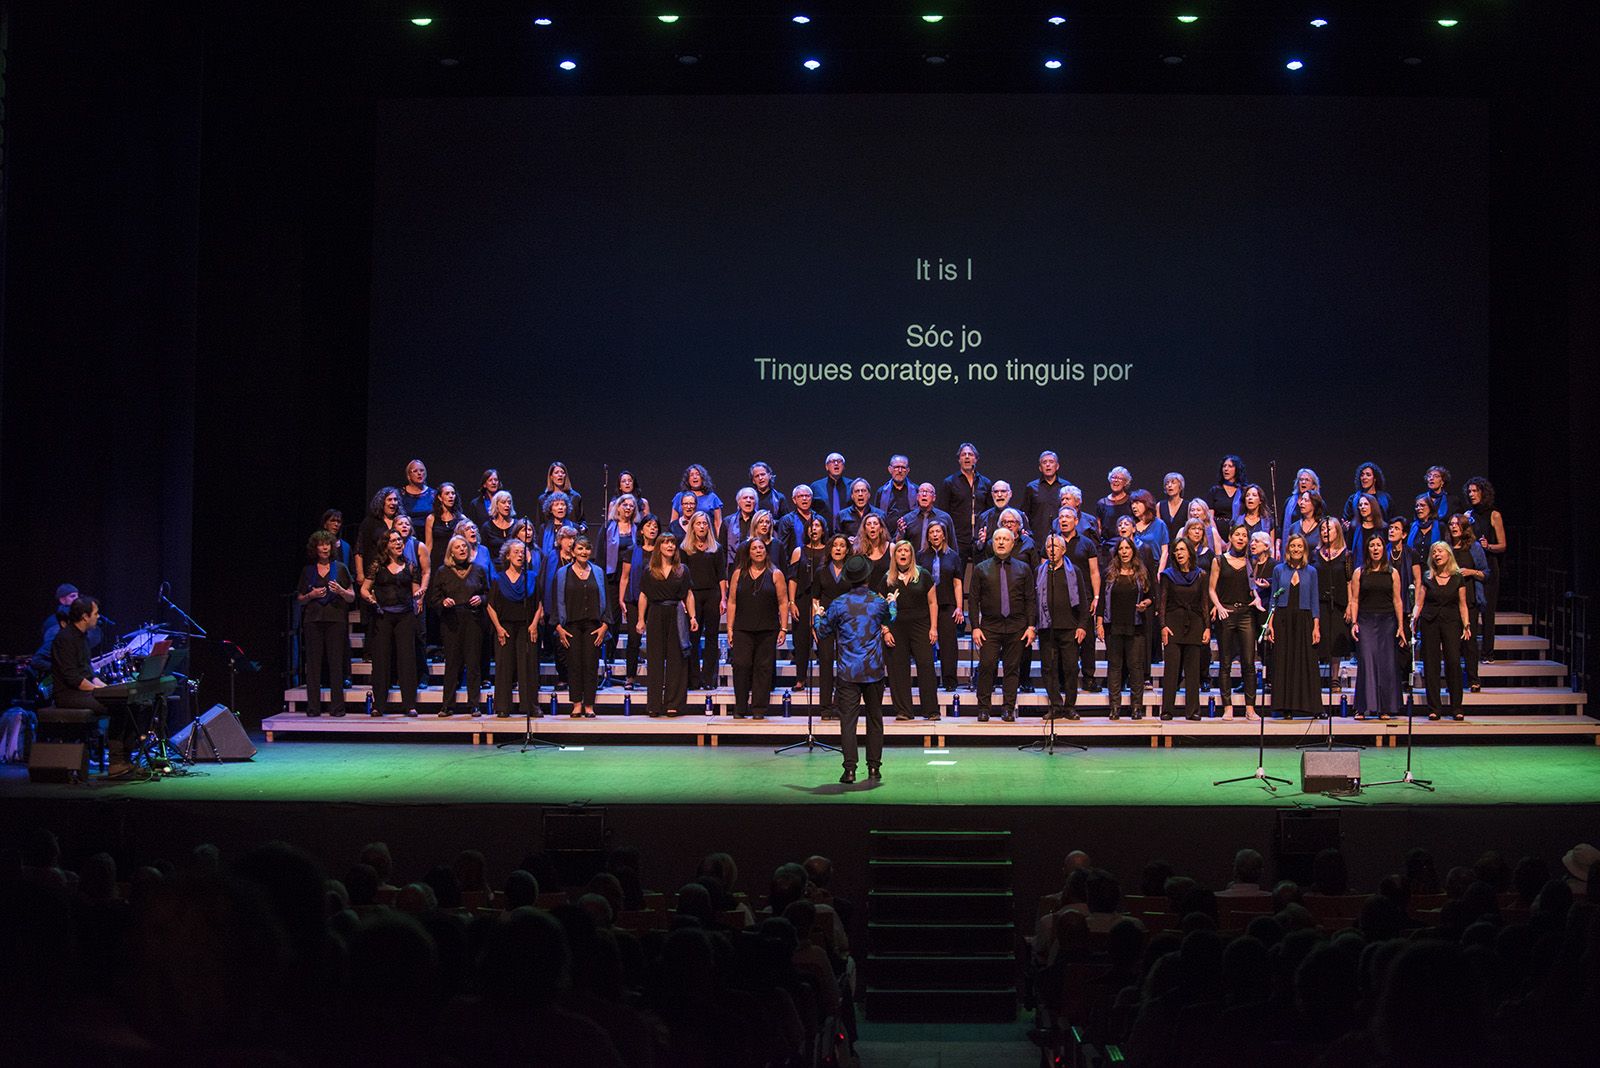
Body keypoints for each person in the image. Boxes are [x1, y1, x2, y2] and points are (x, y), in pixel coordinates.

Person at [814, 554, 892, 784]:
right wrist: (893, 603)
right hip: (873, 670)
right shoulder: (878, 603)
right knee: (875, 719)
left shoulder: (838, 604)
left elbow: (823, 632)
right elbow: (891, 618)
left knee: (848, 721)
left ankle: (849, 770)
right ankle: (874, 769)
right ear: (867, 577)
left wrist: (818, 617)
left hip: (848, 671)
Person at [969, 526, 1036, 722]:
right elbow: (973, 600)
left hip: (1017, 626)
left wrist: (1031, 626)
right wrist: (975, 626)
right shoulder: (982, 568)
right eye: (997, 538)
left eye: (1004, 539)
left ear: (1012, 543)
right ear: (992, 542)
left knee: (1012, 668)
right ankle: (983, 708)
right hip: (990, 626)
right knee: (987, 665)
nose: (1000, 542)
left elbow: (1030, 599)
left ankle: (1008, 708)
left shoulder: (1023, 569)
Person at [726, 536, 790, 719]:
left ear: (766, 551)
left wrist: (783, 628)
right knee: (741, 666)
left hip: (768, 629)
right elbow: (731, 602)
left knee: (763, 668)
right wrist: (730, 628)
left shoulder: (775, 574)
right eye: (754, 548)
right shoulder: (739, 573)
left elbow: (783, 602)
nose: (758, 551)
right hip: (742, 628)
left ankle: (759, 709)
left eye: (761, 548)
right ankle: (740, 708)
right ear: (748, 552)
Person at [360, 529, 422, 717]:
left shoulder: (410, 566)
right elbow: (364, 589)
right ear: (386, 544)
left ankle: (409, 705)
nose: (398, 543)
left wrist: (418, 597)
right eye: (394, 540)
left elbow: (415, 591)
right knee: (381, 660)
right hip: (383, 616)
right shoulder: (377, 566)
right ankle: (379, 705)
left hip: (404, 616)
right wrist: (371, 600)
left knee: (407, 660)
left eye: (400, 540)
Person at [298, 530, 356, 717]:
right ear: (315, 548)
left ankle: (337, 707)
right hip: (313, 620)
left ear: (331, 547)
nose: (324, 547)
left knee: (336, 663)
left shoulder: (340, 568)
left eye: (327, 544)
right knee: (313, 665)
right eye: (321, 544)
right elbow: (300, 598)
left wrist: (340, 591)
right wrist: (311, 595)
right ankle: (313, 707)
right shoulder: (308, 570)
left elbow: (352, 596)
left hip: (335, 620)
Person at [429, 535, 489, 717]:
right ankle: (447, 705)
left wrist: (482, 598)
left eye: (464, 546)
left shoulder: (478, 569)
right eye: (458, 547)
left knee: (473, 663)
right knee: (452, 664)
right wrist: (443, 601)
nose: (462, 549)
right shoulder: (442, 572)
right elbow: (434, 599)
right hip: (451, 621)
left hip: (473, 620)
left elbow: (488, 593)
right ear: (451, 552)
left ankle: (474, 705)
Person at [635, 533, 694, 718]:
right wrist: (640, 619)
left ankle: (673, 703)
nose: (670, 546)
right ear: (659, 546)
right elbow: (643, 595)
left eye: (673, 543)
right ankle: (654, 704)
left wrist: (692, 617)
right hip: (656, 613)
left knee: (677, 659)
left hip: (676, 613)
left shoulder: (682, 570)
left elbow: (689, 594)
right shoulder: (649, 570)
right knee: (655, 660)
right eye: (666, 543)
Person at [1265, 533, 1322, 719]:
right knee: (1284, 662)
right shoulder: (1279, 570)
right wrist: (1270, 624)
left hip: (1304, 620)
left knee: (1305, 662)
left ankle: (1311, 707)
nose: (1296, 549)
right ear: (1288, 549)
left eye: (1299, 546)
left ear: (1304, 549)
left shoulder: (1312, 571)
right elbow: (1273, 598)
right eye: (1293, 546)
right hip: (1282, 619)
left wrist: (1316, 626)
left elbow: (1314, 600)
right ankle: (1285, 707)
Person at [1413, 541, 1471, 721]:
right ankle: (1434, 708)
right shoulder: (1428, 577)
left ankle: (1457, 707)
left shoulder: (1457, 577)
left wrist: (1466, 624)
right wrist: (1413, 619)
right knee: (1431, 664)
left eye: (1440, 551)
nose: (1437, 555)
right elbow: (1419, 603)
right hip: (1430, 622)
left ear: (1448, 554)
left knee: (1453, 662)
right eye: (1434, 552)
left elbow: (1462, 604)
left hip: (1451, 622)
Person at [1351, 532, 1406, 721]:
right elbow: (1355, 600)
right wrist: (1354, 622)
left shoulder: (1393, 572)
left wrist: (1401, 626)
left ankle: (1385, 707)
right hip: (1366, 620)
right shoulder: (1359, 572)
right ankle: (1363, 707)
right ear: (1367, 549)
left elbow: (1397, 600)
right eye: (1372, 545)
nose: (1375, 548)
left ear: (1384, 548)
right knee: (1366, 661)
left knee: (1386, 663)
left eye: (1378, 545)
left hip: (1387, 621)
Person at [1209, 524, 1262, 720]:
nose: (1241, 538)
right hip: (1226, 613)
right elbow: (1212, 589)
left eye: (1244, 536)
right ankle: (1228, 707)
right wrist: (1219, 606)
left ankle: (1250, 708)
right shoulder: (1219, 561)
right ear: (1230, 537)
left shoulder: (1251, 562)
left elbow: (1252, 588)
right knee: (1225, 663)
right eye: (1237, 535)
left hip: (1246, 613)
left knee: (1249, 662)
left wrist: (1257, 597)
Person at [1036, 533, 1090, 721]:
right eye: (1049, 547)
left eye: (1056, 547)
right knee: (1048, 668)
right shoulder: (1039, 571)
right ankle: (1056, 706)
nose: (1052, 550)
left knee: (1070, 668)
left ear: (1063, 550)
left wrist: (1082, 625)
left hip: (1069, 628)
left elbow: (1083, 600)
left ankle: (1070, 707)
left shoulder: (1074, 571)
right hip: (1046, 629)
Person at [486, 538, 542, 719]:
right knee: (504, 665)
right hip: (505, 627)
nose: (519, 555)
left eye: (522, 552)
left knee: (528, 665)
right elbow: (490, 606)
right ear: (508, 556)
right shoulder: (497, 578)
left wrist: (534, 624)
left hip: (526, 626)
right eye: (515, 552)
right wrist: (499, 628)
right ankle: (503, 706)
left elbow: (539, 603)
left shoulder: (532, 577)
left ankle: (530, 705)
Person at [884, 540, 939, 721]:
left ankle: (931, 710)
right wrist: (885, 631)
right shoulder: (887, 578)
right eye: (899, 550)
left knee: (926, 666)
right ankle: (904, 711)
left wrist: (933, 628)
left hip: (921, 625)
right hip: (896, 627)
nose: (903, 553)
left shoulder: (923, 574)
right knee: (898, 668)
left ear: (911, 555)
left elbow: (933, 603)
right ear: (895, 555)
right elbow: (880, 608)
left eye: (906, 550)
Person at [1098, 537, 1151, 720]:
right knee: (1115, 667)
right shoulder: (1109, 573)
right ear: (1117, 552)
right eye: (1121, 548)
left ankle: (1137, 707)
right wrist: (1099, 624)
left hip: (1135, 625)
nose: (1124, 551)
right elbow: (1103, 601)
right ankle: (1115, 707)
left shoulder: (1141, 573)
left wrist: (1145, 603)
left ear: (1133, 551)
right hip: (1114, 625)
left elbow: (1151, 595)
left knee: (1136, 667)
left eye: (1127, 548)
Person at [1159, 538, 1211, 721]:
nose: (1179, 553)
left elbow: (1204, 602)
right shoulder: (1167, 575)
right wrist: (1163, 626)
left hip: (1194, 624)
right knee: (1171, 669)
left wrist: (1207, 627)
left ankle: (1193, 710)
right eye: (1176, 550)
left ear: (1190, 552)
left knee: (1192, 670)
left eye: (1182, 549)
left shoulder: (1201, 575)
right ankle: (1167, 710)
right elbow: (1163, 603)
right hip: (1173, 624)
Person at [558, 536, 608, 718]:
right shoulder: (563, 573)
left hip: (593, 625)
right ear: (573, 552)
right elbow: (556, 599)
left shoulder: (598, 572)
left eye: (587, 549)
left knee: (590, 664)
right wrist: (558, 626)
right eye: (580, 549)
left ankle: (589, 705)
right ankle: (576, 704)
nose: (583, 552)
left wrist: (605, 625)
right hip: (570, 625)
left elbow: (606, 599)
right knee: (574, 665)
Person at [1055, 506, 1102, 693]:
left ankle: (1089, 678)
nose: (1064, 520)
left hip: (1084, 598)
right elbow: (1043, 571)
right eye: (1061, 517)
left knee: (1088, 640)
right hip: (1060, 599)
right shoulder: (1052, 542)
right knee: (1061, 641)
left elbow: (1094, 572)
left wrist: (1096, 597)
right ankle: (1061, 680)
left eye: (1068, 517)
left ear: (1076, 521)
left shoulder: (1087, 543)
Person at [810, 533, 855, 720]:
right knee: (826, 663)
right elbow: (815, 598)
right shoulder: (821, 571)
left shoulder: (853, 572)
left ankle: (841, 706)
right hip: (826, 622)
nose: (838, 548)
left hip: (847, 624)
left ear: (847, 550)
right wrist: (815, 623)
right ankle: (826, 708)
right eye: (835, 545)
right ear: (830, 549)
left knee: (845, 666)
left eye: (842, 545)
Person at [680, 512, 726, 692]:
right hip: (692, 595)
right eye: (698, 523)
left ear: (708, 526)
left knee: (712, 638)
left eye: (704, 523)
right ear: (692, 526)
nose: (701, 526)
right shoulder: (684, 548)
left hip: (712, 594)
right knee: (693, 637)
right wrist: (683, 598)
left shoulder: (716, 548)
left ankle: (708, 678)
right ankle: (693, 679)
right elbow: (682, 575)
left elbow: (722, 575)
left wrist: (723, 597)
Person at [918, 521, 965, 693]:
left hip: (946, 605)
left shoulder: (953, 556)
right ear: (928, 536)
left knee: (948, 645)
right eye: (932, 532)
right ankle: (928, 681)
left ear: (944, 534)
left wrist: (959, 607)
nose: (935, 535)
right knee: (925, 644)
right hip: (925, 606)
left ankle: (950, 681)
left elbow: (957, 584)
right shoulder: (921, 556)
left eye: (938, 531)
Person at [1464, 477, 1507, 662]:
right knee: (1470, 609)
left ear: (1483, 493)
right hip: (1471, 566)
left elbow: (1503, 545)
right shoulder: (1467, 515)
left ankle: (1488, 653)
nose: (1472, 494)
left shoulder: (1494, 515)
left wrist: (1488, 546)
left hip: (1489, 566)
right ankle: (1469, 651)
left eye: (1475, 491)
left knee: (1488, 612)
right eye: (1470, 491)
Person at [598, 493, 638, 683]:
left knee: (633, 619)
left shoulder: (637, 529)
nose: (628, 508)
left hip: (633, 579)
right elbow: (600, 555)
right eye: (625, 505)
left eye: (632, 505)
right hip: (612, 578)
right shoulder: (608, 528)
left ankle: (634, 654)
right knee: (612, 617)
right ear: (618, 507)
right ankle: (611, 655)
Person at [616, 514, 659, 691]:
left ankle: (657, 677)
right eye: (649, 525)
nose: (653, 528)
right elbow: (625, 577)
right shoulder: (632, 550)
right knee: (634, 640)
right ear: (642, 529)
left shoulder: (662, 550)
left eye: (655, 526)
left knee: (656, 641)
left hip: (657, 600)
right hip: (634, 599)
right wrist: (621, 599)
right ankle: (630, 677)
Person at [1448, 515, 1491, 693]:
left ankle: (1473, 679)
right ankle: (1454, 680)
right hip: (1449, 600)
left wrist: (1471, 572)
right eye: (1451, 524)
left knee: (1469, 642)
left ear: (1464, 527)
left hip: (1470, 600)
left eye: (1457, 524)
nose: (1454, 527)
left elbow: (1486, 573)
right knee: (1452, 644)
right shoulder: (1447, 548)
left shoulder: (1474, 547)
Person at [788, 515, 830, 692]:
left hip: (823, 600)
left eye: (817, 525)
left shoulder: (829, 551)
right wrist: (791, 602)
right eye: (811, 526)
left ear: (823, 529)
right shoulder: (799, 551)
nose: (814, 529)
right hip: (803, 600)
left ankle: (827, 679)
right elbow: (793, 578)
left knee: (823, 640)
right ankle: (800, 679)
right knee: (801, 640)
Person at [1313, 519, 1354, 692]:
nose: (1325, 532)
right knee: (1318, 639)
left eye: (1328, 529)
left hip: (1338, 603)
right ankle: (1314, 678)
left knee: (1336, 640)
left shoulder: (1346, 555)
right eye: (1322, 529)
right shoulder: (1315, 553)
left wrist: (1351, 603)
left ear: (1337, 531)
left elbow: (1350, 581)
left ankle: (1335, 678)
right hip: (1319, 602)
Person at [937, 442, 993, 566]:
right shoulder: (949, 482)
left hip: (980, 538)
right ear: (959, 460)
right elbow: (943, 512)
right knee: (957, 575)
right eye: (963, 455)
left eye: (970, 454)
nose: (967, 457)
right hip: (958, 538)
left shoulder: (985, 483)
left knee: (980, 575)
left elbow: (990, 511)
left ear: (976, 459)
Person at [540, 524, 578, 692]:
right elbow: (543, 582)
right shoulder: (551, 557)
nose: (570, 542)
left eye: (573, 538)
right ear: (559, 541)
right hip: (555, 607)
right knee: (559, 644)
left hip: (574, 607)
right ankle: (562, 677)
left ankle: (575, 677)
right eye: (567, 538)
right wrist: (542, 605)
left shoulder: (579, 558)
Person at [354, 486, 399, 587]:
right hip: (374, 570)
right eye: (389, 499)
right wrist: (360, 574)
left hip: (396, 571)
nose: (393, 502)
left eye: (395, 499)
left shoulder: (400, 522)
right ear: (382, 502)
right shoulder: (370, 522)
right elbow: (359, 549)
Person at [1021, 450, 1067, 538]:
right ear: (1040, 468)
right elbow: (1025, 514)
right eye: (1044, 462)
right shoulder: (1031, 487)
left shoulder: (1066, 486)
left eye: (1051, 462)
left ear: (1057, 466)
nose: (1048, 465)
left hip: (1061, 537)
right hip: (1037, 538)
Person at [903, 482, 955, 556]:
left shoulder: (945, 518)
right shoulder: (907, 519)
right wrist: (900, 534)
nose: (924, 494)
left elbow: (953, 545)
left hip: (937, 563)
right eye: (921, 491)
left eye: (927, 492)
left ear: (934, 498)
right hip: (913, 564)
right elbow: (898, 544)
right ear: (917, 497)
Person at [425, 482, 463, 576]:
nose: (451, 496)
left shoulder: (461, 519)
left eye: (453, 493)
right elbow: (428, 545)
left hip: (455, 562)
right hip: (437, 561)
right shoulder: (431, 518)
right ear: (440, 497)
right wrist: (426, 568)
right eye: (447, 493)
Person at [673, 464, 723, 534]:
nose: (695, 477)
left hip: (705, 537)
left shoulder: (712, 497)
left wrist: (719, 542)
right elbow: (673, 521)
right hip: (683, 537)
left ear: (703, 478)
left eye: (698, 474)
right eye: (691, 475)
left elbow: (718, 523)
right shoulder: (679, 496)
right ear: (688, 479)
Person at [722, 486, 759, 571]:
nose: (748, 500)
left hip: (757, 566)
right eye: (745, 498)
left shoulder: (761, 521)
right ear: (739, 502)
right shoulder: (727, 522)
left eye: (752, 498)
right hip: (734, 566)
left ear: (755, 502)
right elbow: (723, 550)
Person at [876, 454, 915, 534]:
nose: (899, 470)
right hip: (887, 537)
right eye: (896, 467)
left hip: (910, 537)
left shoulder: (916, 490)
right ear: (890, 469)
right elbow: (877, 516)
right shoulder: (881, 492)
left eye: (903, 467)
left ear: (907, 470)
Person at [853, 513, 893, 590]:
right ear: (864, 529)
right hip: (865, 596)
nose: (872, 526)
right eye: (868, 524)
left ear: (881, 529)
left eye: (875, 523)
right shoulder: (858, 550)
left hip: (885, 595)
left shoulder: (891, 547)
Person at [810, 452, 852, 526]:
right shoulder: (816, 487)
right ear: (826, 467)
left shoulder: (852, 486)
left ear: (844, 466)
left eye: (839, 461)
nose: (836, 463)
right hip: (824, 533)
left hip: (847, 534)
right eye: (832, 461)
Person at [1281, 490, 1325, 559]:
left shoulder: (1322, 526)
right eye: (1302, 500)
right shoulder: (1294, 527)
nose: (1301, 503)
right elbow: (1288, 551)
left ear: (1314, 504)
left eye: (1306, 500)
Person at [541, 460, 584, 526]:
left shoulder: (575, 497)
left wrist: (581, 528)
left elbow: (582, 521)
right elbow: (540, 524)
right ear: (551, 477)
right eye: (556, 472)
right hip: (551, 535)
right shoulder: (543, 499)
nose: (560, 475)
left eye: (562, 472)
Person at [1206, 455, 1246, 525]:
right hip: (1217, 531)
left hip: (1238, 531)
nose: (1226, 469)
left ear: (1237, 469)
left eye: (1230, 466)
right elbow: (1210, 518)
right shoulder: (1215, 491)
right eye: (1224, 466)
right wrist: (1215, 534)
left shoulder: (1244, 491)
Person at [1094, 466, 1134, 536]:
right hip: (1107, 544)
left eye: (1120, 478)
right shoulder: (1102, 503)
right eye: (1113, 477)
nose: (1116, 480)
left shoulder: (1131, 500)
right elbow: (1099, 527)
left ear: (1126, 482)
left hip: (1127, 543)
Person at [1406, 494, 1447, 561]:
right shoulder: (1411, 527)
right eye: (1417, 506)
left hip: (1433, 568)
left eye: (1422, 505)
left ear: (1430, 507)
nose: (1419, 508)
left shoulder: (1440, 526)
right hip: (1414, 568)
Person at [1236, 483, 1275, 552]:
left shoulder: (1268, 521)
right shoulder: (1237, 520)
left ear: (1260, 500)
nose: (1250, 498)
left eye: (1254, 495)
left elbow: (1271, 545)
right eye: (1247, 495)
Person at [399, 458, 435, 531]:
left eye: (422, 470)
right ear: (409, 475)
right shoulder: (400, 494)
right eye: (415, 471)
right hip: (407, 533)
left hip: (429, 532)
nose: (419, 473)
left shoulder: (433, 494)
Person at [482, 490, 517, 561]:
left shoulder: (516, 525)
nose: (507, 505)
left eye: (509, 503)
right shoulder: (487, 527)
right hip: (494, 567)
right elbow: (484, 552)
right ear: (496, 505)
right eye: (503, 502)